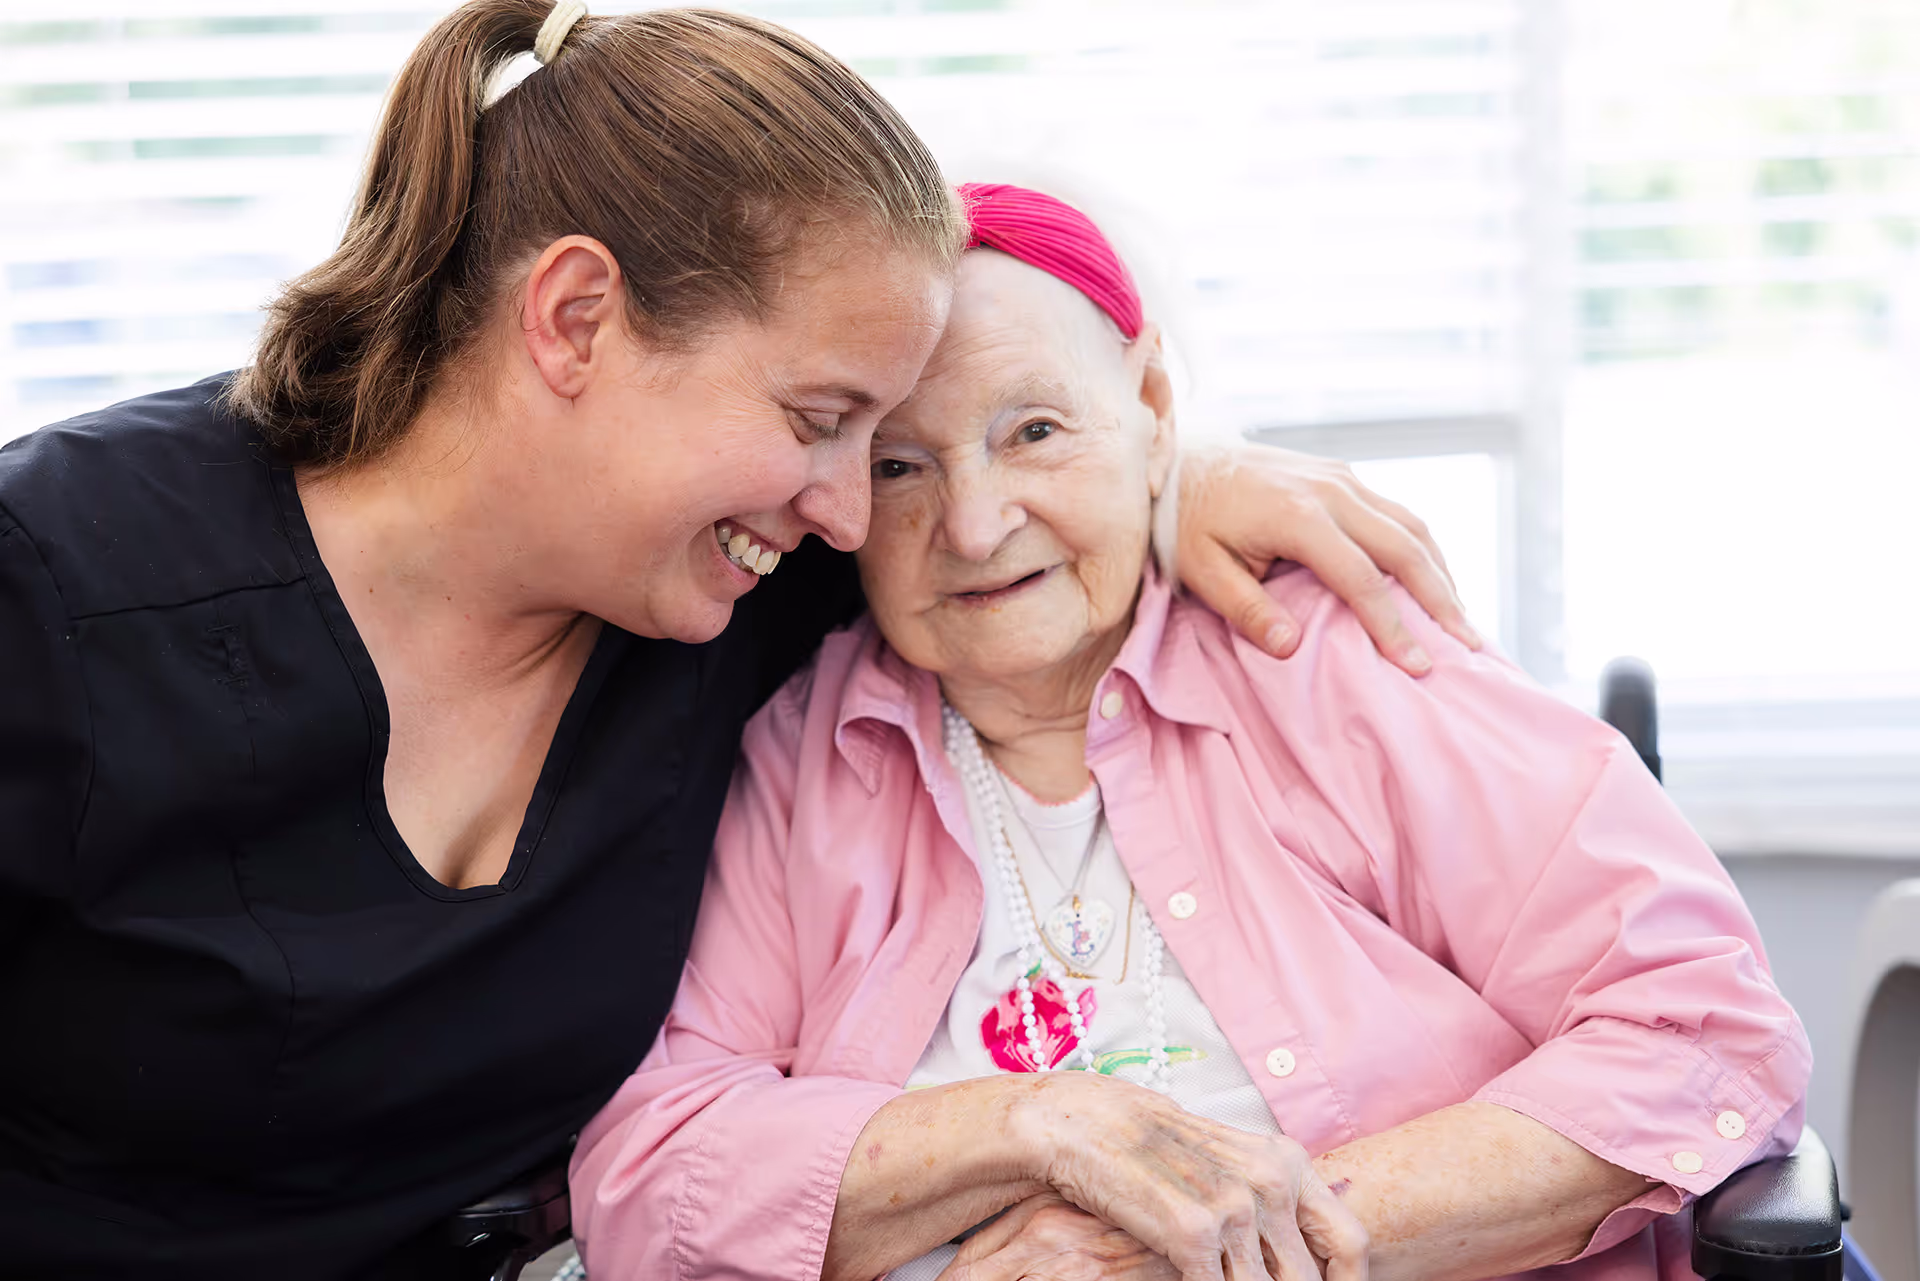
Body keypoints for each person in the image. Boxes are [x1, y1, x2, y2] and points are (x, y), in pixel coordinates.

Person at [0, 8, 1470, 1280]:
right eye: (821, 421)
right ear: (574, 319)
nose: (851, 509)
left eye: (873, 447)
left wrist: (1180, 470)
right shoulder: (56, 590)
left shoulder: (746, 584)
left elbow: (1010, 495)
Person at [570, 185, 1812, 1281]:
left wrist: (1209, 1245)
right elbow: (649, 1172)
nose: (975, 522)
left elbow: (1700, 1028)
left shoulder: (1323, 655)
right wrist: (1032, 1125)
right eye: (899, 466)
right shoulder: (810, 749)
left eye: (1035, 432)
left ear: (1155, 407)